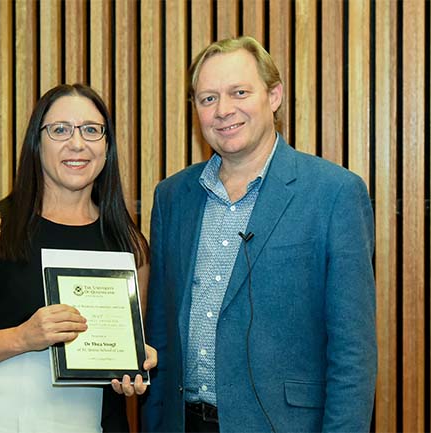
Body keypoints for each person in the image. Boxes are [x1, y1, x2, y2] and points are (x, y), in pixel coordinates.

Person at [142, 36, 376, 432]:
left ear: (274, 95)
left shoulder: (334, 194)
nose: (224, 110)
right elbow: (161, 334)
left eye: (239, 92)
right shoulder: (172, 198)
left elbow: (352, 351)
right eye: (208, 98)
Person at [0, 83, 157, 433]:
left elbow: (128, 350)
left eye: (91, 130)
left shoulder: (130, 245)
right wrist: (22, 337)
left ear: (107, 146)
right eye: (60, 130)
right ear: (37, 143)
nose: (77, 143)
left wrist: (136, 365)